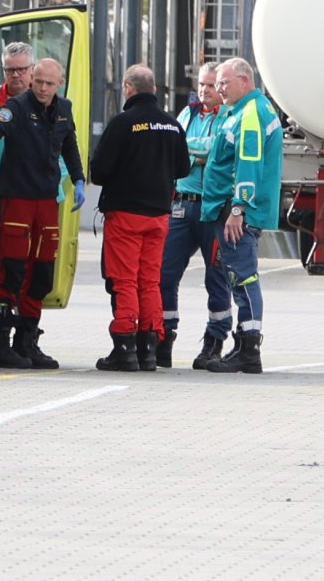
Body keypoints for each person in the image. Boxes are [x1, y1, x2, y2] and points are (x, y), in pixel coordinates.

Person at [0, 57, 84, 369]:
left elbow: (70, 145)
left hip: (47, 202)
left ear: (59, 84)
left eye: (49, 83)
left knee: (41, 272)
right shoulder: (16, 107)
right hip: (17, 199)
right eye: (38, 81)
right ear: (32, 81)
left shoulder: (64, 109)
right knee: (11, 268)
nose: (42, 88)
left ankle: (28, 342)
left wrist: (80, 179)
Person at [89, 64, 188, 372]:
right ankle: (149, 348)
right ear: (154, 90)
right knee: (150, 281)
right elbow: (183, 169)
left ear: (128, 88)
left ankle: (124, 345)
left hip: (126, 215)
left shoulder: (122, 123)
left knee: (124, 280)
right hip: (159, 216)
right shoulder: (172, 125)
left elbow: (100, 171)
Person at [200, 57, 283, 375]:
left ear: (245, 81)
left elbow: (248, 165)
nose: (219, 89)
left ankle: (249, 348)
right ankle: (244, 345)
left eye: (224, 82)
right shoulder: (243, 112)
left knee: (242, 277)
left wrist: (238, 208)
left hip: (238, 213)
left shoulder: (249, 114)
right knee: (239, 277)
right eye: (217, 83)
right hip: (235, 210)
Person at [158, 63, 229, 368]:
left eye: (211, 85)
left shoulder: (228, 116)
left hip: (213, 209)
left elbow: (219, 150)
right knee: (164, 275)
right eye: (201, 84)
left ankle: (214, 341)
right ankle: (163, 335)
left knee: (216, 278)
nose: (205, 90)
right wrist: (200, 154)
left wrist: (196, 153)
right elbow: (175, 148)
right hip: (181, 206)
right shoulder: (186, 114)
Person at [0, 42, 36, 364]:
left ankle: (22, 339)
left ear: (32, 71)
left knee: (24, 271)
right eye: (10, 69)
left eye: (21, 69)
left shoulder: (44, 103)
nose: (15, 75)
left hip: (28, 198)